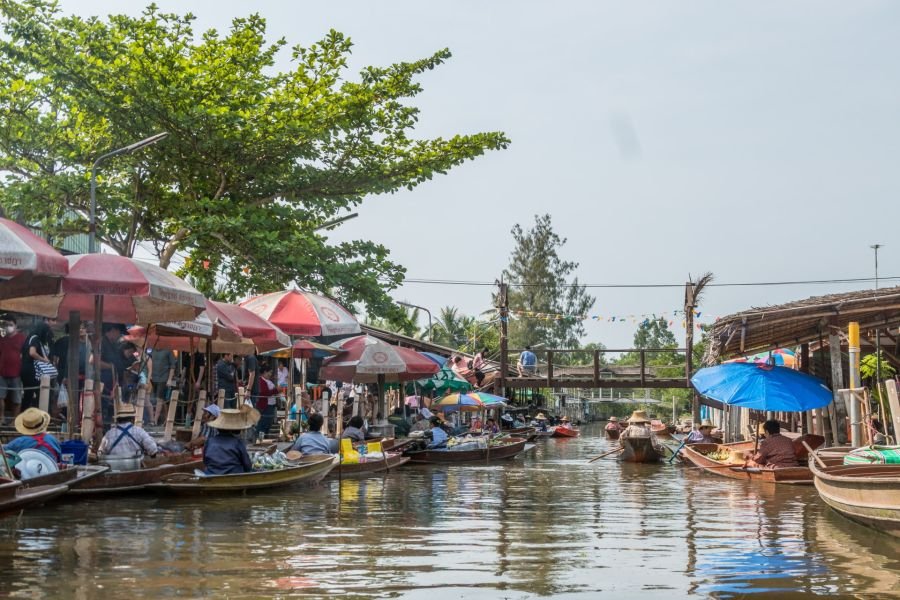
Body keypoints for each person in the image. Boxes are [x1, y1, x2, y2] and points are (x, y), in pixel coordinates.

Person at [203, 408, 255, 475]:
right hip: (233, 476)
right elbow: (247, 464)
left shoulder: (210, 441)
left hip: (211, 474)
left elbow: (205, 461)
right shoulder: (238, 442)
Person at [21, 320, 56, 411]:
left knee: (28, 394)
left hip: (26, 369)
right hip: (32, 370)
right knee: (36, 394)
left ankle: (25, 415)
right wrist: (44, 359)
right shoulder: (35, 338)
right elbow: (32, 353)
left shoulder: (29, 338)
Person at [0, 315, 25, 424]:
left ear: (15, 326)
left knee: (17, 399)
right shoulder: (2, 339)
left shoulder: (22, 338)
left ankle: (16, 421)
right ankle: (1, 418)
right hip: (2, 373)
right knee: (0, 397)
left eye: (10, 325)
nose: (8, 327)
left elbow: (26, 354)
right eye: (6, 325)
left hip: (17, 374)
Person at [149, 347, 177, 426]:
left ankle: (155, 420)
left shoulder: (168, 350)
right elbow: (150, 362)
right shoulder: (153, 350)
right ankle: (161, 419)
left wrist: (169, 379)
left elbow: (172, 366)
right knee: (154, 400)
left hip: (163, 378)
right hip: (153, 378)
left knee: (159, 399)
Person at [254, 363, 277, 440]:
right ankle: (260, 439)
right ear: (264, 372)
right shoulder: (261, 381)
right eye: (269, 372)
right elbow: (264, 393)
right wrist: (276, 390)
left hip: (271, 405)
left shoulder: (267, 381)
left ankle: (264, 439)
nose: (270, 374)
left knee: (268, 423)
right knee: (263, 423)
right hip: (265, 405)